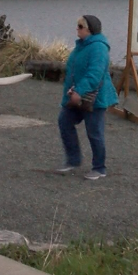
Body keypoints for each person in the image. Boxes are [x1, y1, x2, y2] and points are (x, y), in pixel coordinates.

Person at [57, 15, 117, 180]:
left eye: (80, 26)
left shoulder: (98, 48)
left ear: (89, 29)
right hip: (75, 96)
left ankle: (99, 168)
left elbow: (95, 74)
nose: (77, 28)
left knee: (94, 132)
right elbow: (73, 72)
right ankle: (73, 160)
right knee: (64, 121)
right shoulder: (81, 46)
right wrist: (69, 96)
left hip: (94, 98)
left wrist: (80, 91)